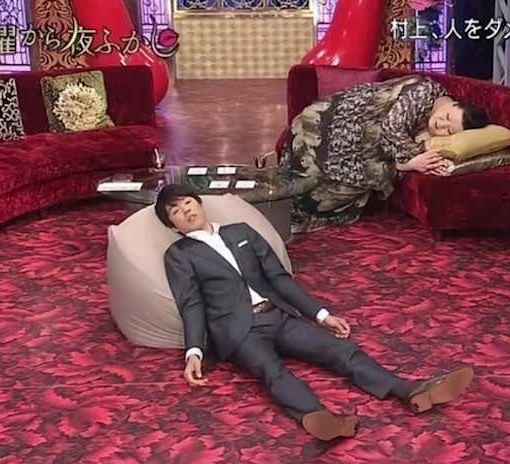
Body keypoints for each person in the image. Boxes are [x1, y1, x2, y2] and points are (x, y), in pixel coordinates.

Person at [157, 184, 474, 441]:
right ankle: (318, 417)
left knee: (338, 350)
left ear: (199, 202)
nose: (186, 211)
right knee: (273, 372)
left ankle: (407, 390)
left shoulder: (241, 232)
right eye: (176, 211)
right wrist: (194, 351)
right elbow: (191, 303)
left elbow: (279, 278)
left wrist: (321, 315)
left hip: (279, 315)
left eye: (187, 202)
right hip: (239, 330)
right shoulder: (180, 254)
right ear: (173, 225)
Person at [279, 74, 490, 234]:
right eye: (447, 117)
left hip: (359, 141)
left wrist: (410, 159)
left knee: (329, 195)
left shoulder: (431, 120)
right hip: (334, 122)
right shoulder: (424, 92)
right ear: (452, 102)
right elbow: (392, 128)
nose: (441, 124)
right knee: (307, 185)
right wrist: (412, 160)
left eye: (449, 130)